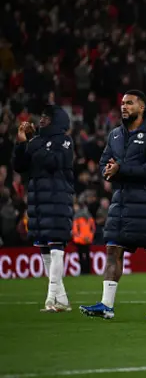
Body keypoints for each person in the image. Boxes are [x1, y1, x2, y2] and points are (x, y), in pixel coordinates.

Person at [80, 90, 146, 319]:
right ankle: (106, 305)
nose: (124, 107)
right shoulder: (115, 135)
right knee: (112, 250)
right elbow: (104, 162)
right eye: (122, 103)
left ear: (142, 108)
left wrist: (122, 170)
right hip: (122, 203)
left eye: (129, 103)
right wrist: (108, 172)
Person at [12, 104, 74, 312]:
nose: (41, 119)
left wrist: (31, 143)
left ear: (57, 121)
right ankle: (62, 299)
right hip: (38, 202)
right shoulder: (36, 142)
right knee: (45, 251)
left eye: (47, 117)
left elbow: (53, 162)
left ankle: (50, 299)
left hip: (58, 200)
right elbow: (19, 166)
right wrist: (21, 144)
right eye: (42, 115)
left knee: (56, 248)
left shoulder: (64, 141)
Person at [72, 200, 95, 275]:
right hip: (87, 240)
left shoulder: (76, 217)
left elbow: (75, 230)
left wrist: (83, 237)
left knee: (81, 256)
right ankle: (88, 271)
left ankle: (83, 271)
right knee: (87, 256)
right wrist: (89, 238)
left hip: (79, 240)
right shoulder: (89, 217)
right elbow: (93, 229)